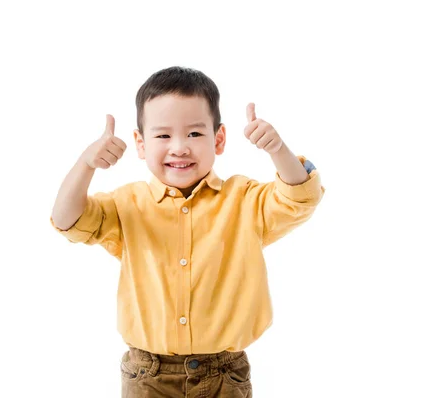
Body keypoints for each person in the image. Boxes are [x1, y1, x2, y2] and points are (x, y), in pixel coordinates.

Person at [50, 66, 325, 397]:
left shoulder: (244, 200)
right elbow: (67, 220)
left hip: (225, 374)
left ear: (218, 139)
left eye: (194, 134)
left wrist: (277, 149)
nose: (179, 147)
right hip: (148, 374)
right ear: (140, 143)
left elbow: (300, 198)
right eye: (163, 135)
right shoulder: (128, 204)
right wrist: (86, 164)